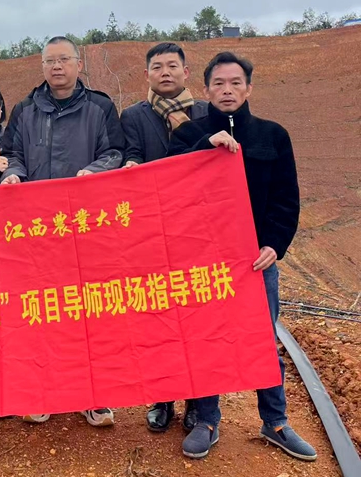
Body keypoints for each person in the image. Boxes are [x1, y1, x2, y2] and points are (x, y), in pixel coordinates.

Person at [168, 52, 317, 462]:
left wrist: (273, 244)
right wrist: (204, 147)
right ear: (206, 89)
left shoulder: (273, 135)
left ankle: (276, 421)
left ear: (249, 88)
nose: (227, 90)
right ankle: (206, 420)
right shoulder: (188, 134)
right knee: (206, 338)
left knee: (263, 339)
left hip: (255, 261)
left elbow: (286, 198)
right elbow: (168, 182)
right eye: (219, 83)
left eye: (236, 83)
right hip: (204, 261)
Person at [0, 36, 125, 426]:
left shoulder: (100, 107)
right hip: (37, 230)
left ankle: (94, 395)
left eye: (64, 59)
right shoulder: (24, 110)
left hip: (85, 227)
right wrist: (13, 174)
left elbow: (116, 152)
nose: (57, 67)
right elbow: (12, 154)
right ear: (42, 67)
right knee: (42, 311)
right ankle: (43, 391)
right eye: (50, 61)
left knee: (89, 312)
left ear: (78, 64)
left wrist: (95, 171)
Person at [120, 42, 207, 433]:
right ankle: (162, 398)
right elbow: (132, 153)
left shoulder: (205, 112)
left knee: (199, 321)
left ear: (186, 72)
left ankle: (199, 402)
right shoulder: (134, 116)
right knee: (159, 320)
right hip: (152, 233)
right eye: (158, 67)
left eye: (173, 66)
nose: (166, 72)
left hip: (198, 232)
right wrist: (131, 165)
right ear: (147, 75)